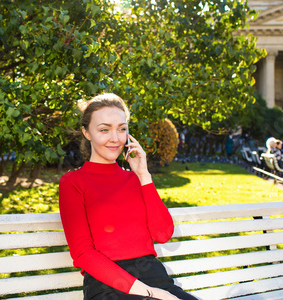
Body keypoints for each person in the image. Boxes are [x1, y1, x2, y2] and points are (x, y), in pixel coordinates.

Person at [59, 93, 197, 300]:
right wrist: (150, 293)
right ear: (86, 132)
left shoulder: (136, 179)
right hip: (107, 286)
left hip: (156, 278)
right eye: (104, 129)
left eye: (121, 129)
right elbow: (83, 254)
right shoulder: (73, 182)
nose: (115, 138)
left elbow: (163, 234)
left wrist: (144, 174)